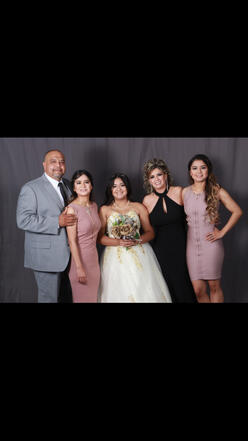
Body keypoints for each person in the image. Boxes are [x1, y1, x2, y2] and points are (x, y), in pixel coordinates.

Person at [98, 173, 172, 303]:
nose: (119, 189)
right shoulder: (105, 209)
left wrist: (136, 240)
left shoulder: (138, 207)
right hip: (115, 256)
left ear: (127, 187)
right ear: (110, 189)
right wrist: (118, 242)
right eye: (114, 186)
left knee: (142, 288)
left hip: (139, 252)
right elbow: (100, 238)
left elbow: (150, 232)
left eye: (122, 185)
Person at [16, 149, 77, 303]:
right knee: (49, 299)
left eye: (62, 161)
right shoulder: (31, 188)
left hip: (71, 255)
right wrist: (57, 222)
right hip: (45, 257)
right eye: (53, 161)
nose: (58, 165)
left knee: (67, 298)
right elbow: (23, 220)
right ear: (44, 165)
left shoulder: (70, 185)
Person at [182, 154, 243, 303]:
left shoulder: (216, 190)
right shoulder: (184, 192)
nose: (199, 171)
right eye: (194, 168)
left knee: (214, 286)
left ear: (208, 170)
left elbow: (237, 211)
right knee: (198, 290)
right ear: (190, 172)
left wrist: (222, 232)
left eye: (203, 167)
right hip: (191, 246)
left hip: (211, 245)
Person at [143, 158, 197, 303]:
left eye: (159, 175)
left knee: (185, 285)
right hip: (160, 251)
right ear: (148, 180)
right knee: (167, 287)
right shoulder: (146, 201)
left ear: (166, 175)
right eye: (152, 177)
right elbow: (144, 228)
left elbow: (195, 211)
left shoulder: (179, 191)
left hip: (183, 247)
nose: (156, 179)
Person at [66, 170, 101, 303]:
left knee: (93, 299)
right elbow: (72, 241)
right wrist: (79, 268)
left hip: (94, 262)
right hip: (79, 262)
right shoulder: (71, 209)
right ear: (74, 188)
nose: (83, 186)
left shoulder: (94, 206)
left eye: (86, 182)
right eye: (78, 183)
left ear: (91, 186)